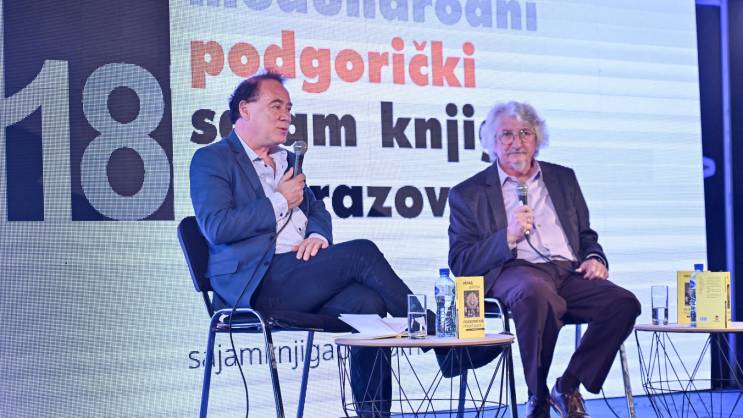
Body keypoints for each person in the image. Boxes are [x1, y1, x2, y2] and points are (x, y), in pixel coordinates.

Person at [189, 71, 498, 417]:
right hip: (254, 285)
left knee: (367, 304)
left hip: (298, 275)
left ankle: (374, 414)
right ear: (245, 110)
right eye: (276, 106)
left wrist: (318, 236)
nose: (286, 116)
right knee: (361, 253)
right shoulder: (212, 159)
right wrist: (279, 200)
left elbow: (317, 209)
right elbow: (217, 227)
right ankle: (442, 344)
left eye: (289, 109)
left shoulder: (286, 159)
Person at [447, 101, 641, 418]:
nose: (517, 141)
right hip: (513, 271)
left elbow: (586, 236)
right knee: (536, 293)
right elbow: (460, 261)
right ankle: (537, 397)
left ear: (537, 139)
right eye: (506, 134)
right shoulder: (468, 194)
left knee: (623, 303)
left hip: (567, 272)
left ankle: (567, 386)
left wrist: (594, 257)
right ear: (492, 142)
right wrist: (507, 237)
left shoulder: (563, 179)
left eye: (525, 132)